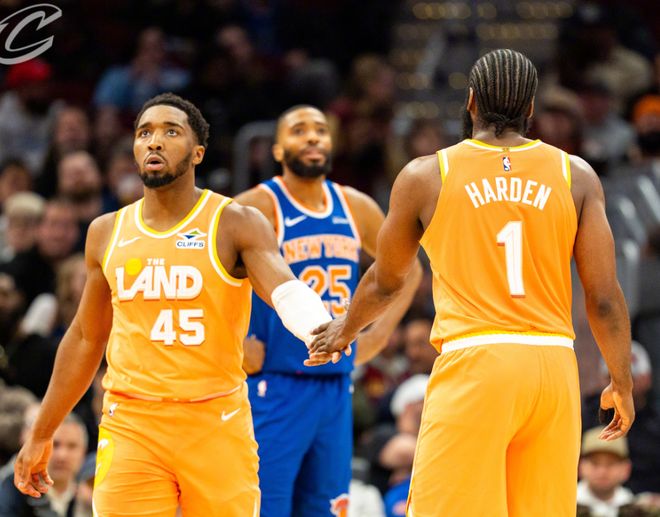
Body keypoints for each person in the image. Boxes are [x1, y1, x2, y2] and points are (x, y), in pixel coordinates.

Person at [310, 49, 635, 516]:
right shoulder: (576, 175)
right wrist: (621, 381)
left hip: (477, 361)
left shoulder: (427, 175)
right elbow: (603, 297)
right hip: (553, 367)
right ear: (530, 108)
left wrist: (345, 328)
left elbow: (386, 281)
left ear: (470, 102)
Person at [13, 93, 337, 516]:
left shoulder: (234, 221)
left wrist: (318, 326)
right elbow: (86, 338)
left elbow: (284, 287)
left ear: (197, 152)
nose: (154, 141)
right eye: (144, 132)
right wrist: (43, 430)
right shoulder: (106, 231)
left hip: (215, 421)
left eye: (171, 131)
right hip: (132, 424)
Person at [235, 104, 421, 516]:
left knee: (329, 508)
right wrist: (234, 340)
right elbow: (209, 273)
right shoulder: (256, 205)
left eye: (320, 130)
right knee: (264, 508)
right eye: (299, 130)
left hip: (336, 385)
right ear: (278, 150)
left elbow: (408, 270)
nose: (312, 137)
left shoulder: (355, 206)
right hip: (275, 384)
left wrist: (378, 333)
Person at [0, 413, 87, 517]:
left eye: (72, 446)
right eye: (55, 445)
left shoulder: (90, 495)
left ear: (83, 452)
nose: (62, 456)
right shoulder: (16, 488)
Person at [577, 426, 634, 517]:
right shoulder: (563, 507)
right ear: (580, 466)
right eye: (594, 463)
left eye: (610, 464)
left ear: (626, 468)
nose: (602, 471)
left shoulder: (639, 510)